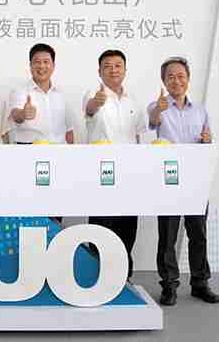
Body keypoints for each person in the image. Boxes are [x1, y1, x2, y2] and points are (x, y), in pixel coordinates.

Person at [147, 56, 219, 306]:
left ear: (188, 79)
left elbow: (207, 142)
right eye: (170, 76)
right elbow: (151, 124)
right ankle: (169, 286)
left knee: (198, 233)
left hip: (196, 180)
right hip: (168, 180)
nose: (176, 80)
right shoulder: (156, 107)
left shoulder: (200, 110)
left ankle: (200, 283)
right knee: (167, 236)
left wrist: (206, 141)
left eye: (181, 76)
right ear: (164, 81)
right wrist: (158, 110)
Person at [83, 49, 143, 279]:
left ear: (125, 70)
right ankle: (98, 273)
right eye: (107, 66)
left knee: (127, 222)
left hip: (128, 170)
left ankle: (124, 274)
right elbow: (89, 110)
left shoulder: (132, 99)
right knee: (101, 221)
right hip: (102, 171)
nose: (113, 70)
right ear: (99, 71)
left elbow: (137, 135)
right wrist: (95, 103)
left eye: (118, 65)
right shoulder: (93, 94)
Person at [8, 43, 74, 223]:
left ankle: (53, 238)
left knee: (55, 210)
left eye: (46, 62)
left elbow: (69, 132)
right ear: (30, 65)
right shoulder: (20, 91)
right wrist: (24, 113)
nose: (41, 66)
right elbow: (15, 116)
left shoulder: (62, 94)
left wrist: (71, 161)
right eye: (37, 62)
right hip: (29, 155)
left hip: (58, 156)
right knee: (30, 210)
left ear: (53, 65)